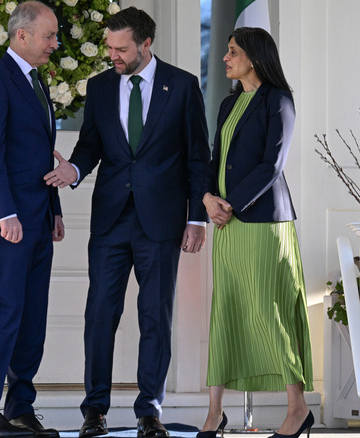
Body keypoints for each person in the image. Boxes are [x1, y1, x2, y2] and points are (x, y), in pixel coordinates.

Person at [44, 7, 210, 438]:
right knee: (100, 313)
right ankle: (94, 411)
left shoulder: (184, 86)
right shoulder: (99, 87)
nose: (113, 56)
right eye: (110, 48)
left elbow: (197, 157)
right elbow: (90, 145)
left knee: (156, 315)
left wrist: (197, 218)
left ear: (146, 44)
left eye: (121, 49)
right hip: (111, 220)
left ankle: (149, 411)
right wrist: (74, 171)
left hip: (163, 220)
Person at [197, 27, 313, 438]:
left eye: (232, 52)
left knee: (271, 314)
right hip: (227, 224)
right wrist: (208, 198)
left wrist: (230, 204)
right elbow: (216, 159)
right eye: (226, 51)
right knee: (225, 311)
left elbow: (272, 164)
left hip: (263, 224)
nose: (225, 58)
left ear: (255, 57)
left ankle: (297, 409)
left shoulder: (278, 100)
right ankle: (214, 413)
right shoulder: (228, 105)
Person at [0, 2, 64, 437]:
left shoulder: (37, 81)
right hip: (7, 220)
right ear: (21, 36)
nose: (55, 44)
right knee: (6, 310)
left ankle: (20, 406)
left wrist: (55, 209)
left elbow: (40, 153)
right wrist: (5, 212)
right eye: (49, 36)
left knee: (33, 314)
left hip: (38, 216)